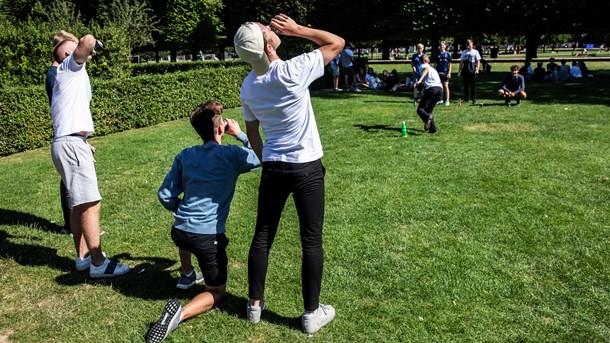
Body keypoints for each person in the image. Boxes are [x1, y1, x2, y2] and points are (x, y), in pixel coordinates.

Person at [234, 13, 344, 334]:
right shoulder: (294, 70)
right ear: (268, 45)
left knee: (263, 235)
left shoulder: (248, 86)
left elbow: (253, 133)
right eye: (268, 30)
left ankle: (254, 305)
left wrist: (264, 158)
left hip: (274, 167)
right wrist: (298, 30)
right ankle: (311, 313)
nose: (272, 27)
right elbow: (336, 43)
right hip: (306, 166)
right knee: (311, 240)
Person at [146, 101, 260, 343]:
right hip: (207, 237)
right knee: (217, 293)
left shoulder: (185, 155)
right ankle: (179, 313)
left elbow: (164, 195)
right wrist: (240, 134)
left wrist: (183, 209)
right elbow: (263, 155)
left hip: (180, 231)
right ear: (221, 128)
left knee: (187, 230)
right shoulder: (232, 155)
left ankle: (187, 273)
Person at [50, 34, 130, 277]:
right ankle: (98, 263)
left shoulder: (69, 75)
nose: (84, 53)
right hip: (72, 144)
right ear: (66, 54)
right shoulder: (69, 67)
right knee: (91, 203)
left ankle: (83, 258)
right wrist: (92, 44)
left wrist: (83, 142)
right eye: (74, 50)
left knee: (77, 204)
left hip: (69, 142)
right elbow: (86, 39)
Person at [45, 31, 78, 234]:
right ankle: (73, 225)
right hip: (67, 134)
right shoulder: (55, 75)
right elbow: (63, 109)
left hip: (69, 133)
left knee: (69, 178)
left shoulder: (55, 73)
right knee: (69, 179)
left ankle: (74, 224)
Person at [413, 55, 442, 134]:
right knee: (429, 110)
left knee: (420, 110)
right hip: (439, 89)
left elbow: (426, 69)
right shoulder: (433, 69)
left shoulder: (423, 66)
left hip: (432, 89)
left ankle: (427, 118)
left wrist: (419, 80)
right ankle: (432, 129)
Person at [458, 39, 481, 105]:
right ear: (466, 45)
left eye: (470, 45)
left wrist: (477, 69)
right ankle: (466, 98)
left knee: (473, 86)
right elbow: (461, 62)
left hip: (472, 70)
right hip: (465, 70)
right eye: (468, 45)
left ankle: (474, 99)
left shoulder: (475, 52)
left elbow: (478, 61)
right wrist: (459, 71)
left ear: (472, 45)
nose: (469, 46)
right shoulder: (464, 52)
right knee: (465, 86)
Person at [433, 40, 452, 106]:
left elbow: (450, 64)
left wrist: (449, 73)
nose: (442, 47)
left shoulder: (448, 54)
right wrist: (435, 73)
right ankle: (440, 99)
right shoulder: (436, 55)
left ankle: (447, 100)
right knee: (439, 87)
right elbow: (435, 65)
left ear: (445, 46)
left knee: (446, 86)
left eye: (443, 45)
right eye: (441, 46)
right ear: (439, 47)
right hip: (438, 73)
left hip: (445, 72)